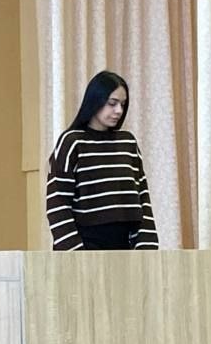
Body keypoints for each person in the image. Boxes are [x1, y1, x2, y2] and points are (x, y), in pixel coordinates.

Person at [45, 70, 158, 251]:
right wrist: (75, 255)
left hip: (126, 250)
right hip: (84, 248)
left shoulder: (128, 143)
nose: (119, 110)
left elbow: (143, 200)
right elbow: (58, 204)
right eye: (112, 103)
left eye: (122, 104)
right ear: (95, 100)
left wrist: (147, 250)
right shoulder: (72, 142)